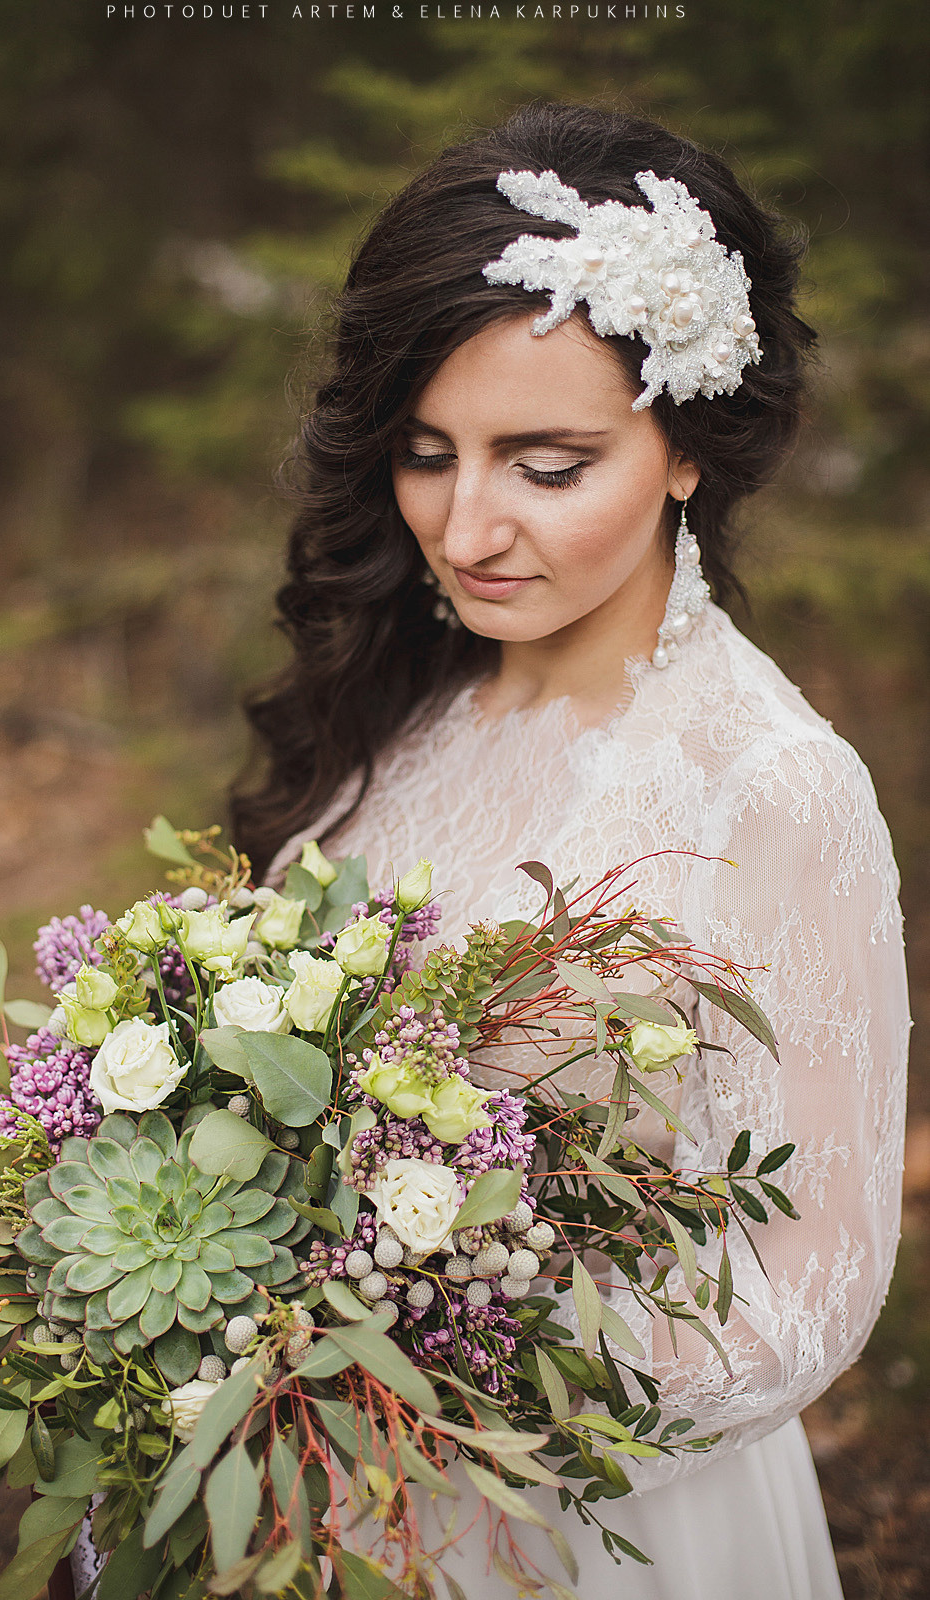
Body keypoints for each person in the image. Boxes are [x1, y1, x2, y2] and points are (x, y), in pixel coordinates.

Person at [229, 103, 912, 1600]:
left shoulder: (773, 788)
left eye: (546, 465)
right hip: (303, 1477)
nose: (466, 527)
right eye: (425, 455)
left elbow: (813, 1291)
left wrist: (456, 1426)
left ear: (689, 450)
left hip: (579, 1517)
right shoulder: (405, 705)